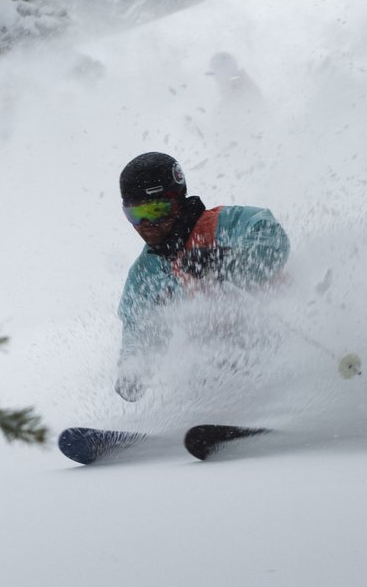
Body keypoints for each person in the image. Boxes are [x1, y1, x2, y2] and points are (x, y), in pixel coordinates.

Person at [114, 152, 290, 402]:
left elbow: (274, 242)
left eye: (156, 210)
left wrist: (222, 260)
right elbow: (138, 328)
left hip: (276, 343)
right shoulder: (146, 273)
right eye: (135, 214)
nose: (146, 224)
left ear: (177, 201)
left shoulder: (225, 224)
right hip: (220, 372)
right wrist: (133, 369)